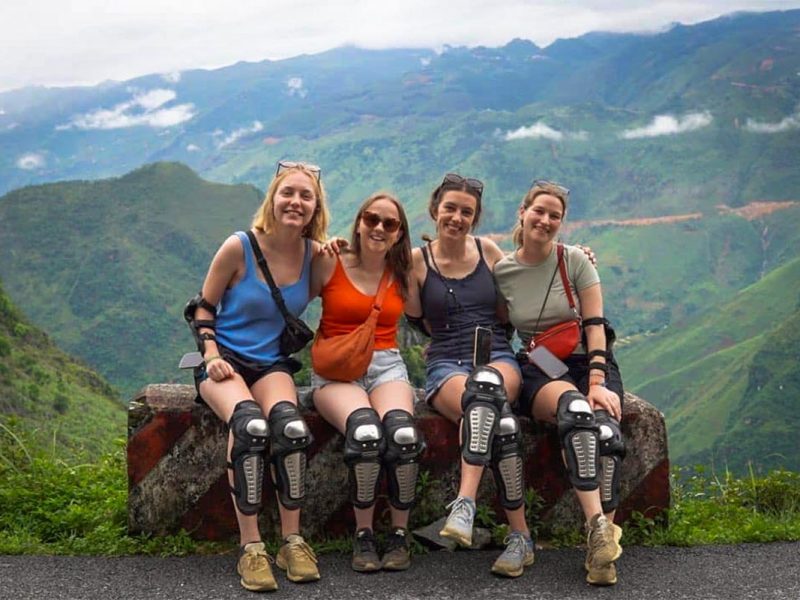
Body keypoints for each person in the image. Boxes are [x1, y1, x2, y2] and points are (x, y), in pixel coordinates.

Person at [190, 161, 327, 592]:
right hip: (225, 359)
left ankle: (291, 539)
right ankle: (251, 547)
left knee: (290, 428)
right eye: (289, 193)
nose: (296, 202)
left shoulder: (316, 258)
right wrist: (210, 354)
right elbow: (201, 307)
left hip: (271, 363)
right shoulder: (240, 247)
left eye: (306, 196)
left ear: (315, 208)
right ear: (273, 197)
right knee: (249, 427)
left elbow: (358, 283)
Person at [493, 180, 626, 586]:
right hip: (540, 364)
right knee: (577, 411)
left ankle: (600, 556)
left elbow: (595, 324)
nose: (546, 221)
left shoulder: (576, 261)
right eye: (540, 211)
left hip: (588, 360)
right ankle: (599, 529)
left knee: (605, 433)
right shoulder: (504, 271)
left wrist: (598, 380)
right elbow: (499, 326)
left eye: (555, 216)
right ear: (523, 211)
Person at [404, 173, 533, 578]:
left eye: (466, 212)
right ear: (435, 209)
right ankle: (520, 538)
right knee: (503, 423)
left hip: (496, 356)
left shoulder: (489, 251)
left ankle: (464, 504)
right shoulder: (416, 261)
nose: (457, 217)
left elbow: (524, 288)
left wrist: (577, 256)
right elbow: (413, 317)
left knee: (487, 389)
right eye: (450, 209)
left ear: (475, 219)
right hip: (445, 362)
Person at [310, 192, 424, 573]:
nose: (378, 228)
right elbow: (287, 287)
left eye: (389, 224)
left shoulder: (403, 271)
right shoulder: (330, 262)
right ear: (358, 222)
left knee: (403, 436)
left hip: (386, 365)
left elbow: (431, 306)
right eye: (371, 219)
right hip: (336, 370)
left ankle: (399, 535)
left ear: (399, 234)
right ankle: (363, 535)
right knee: (365, 435)